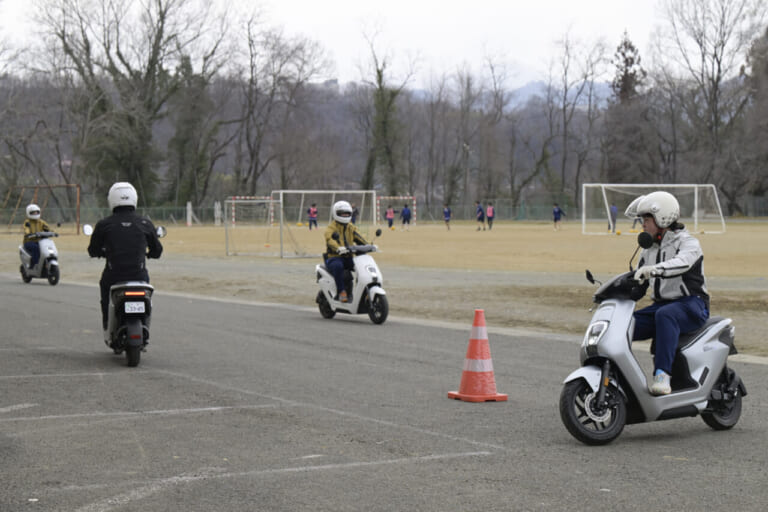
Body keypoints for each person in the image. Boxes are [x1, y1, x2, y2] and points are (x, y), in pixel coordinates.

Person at [627, 191, 709, 396]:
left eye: (646, 219)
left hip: (692, 305)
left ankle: (662, 376)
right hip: (662, 306)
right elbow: (638, 284)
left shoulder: (688, 243)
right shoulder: (648, 250)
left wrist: (656, 269)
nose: (643, 225)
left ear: (662, 218)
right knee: (623, 325)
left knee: (666, 314)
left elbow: (681, 263)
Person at [87, 182, 163, 344]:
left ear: (111, 199)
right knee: (147, 295)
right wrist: (149, 254)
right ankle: (144, 323)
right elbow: (157, 250)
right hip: (139, 276)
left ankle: (108, 323)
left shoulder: (104, 225)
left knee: (105, 293)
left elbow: (92, 250)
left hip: (114, 276)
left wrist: (101, 252)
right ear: (134, 198)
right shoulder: (145, 223)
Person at [324, 201, 368, 303]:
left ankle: (364, 292)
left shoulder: (351, 227)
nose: (345, 215)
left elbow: (360, 237)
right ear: (336, 213)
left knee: (362, 267)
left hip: (348, 257)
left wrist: (369, 245)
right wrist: (338, 247)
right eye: (342, 213)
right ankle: (341, 291)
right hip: (334, 257)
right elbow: (329, 239)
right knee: (338, 266)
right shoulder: (331, 228)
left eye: (347, 213)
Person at [22, 204, 52, 269]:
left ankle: (46, 263)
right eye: (33, 212)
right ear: (29, 213)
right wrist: (28, 233)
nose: (35, 214)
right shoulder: (27, 222)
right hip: (29, 241)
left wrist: (52, 232)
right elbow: (26, 229)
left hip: (40, 241)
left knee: (47, 248)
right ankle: (35, 264)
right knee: (36, 248)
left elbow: (47, 227)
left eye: (37, 212)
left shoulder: (41, 222)